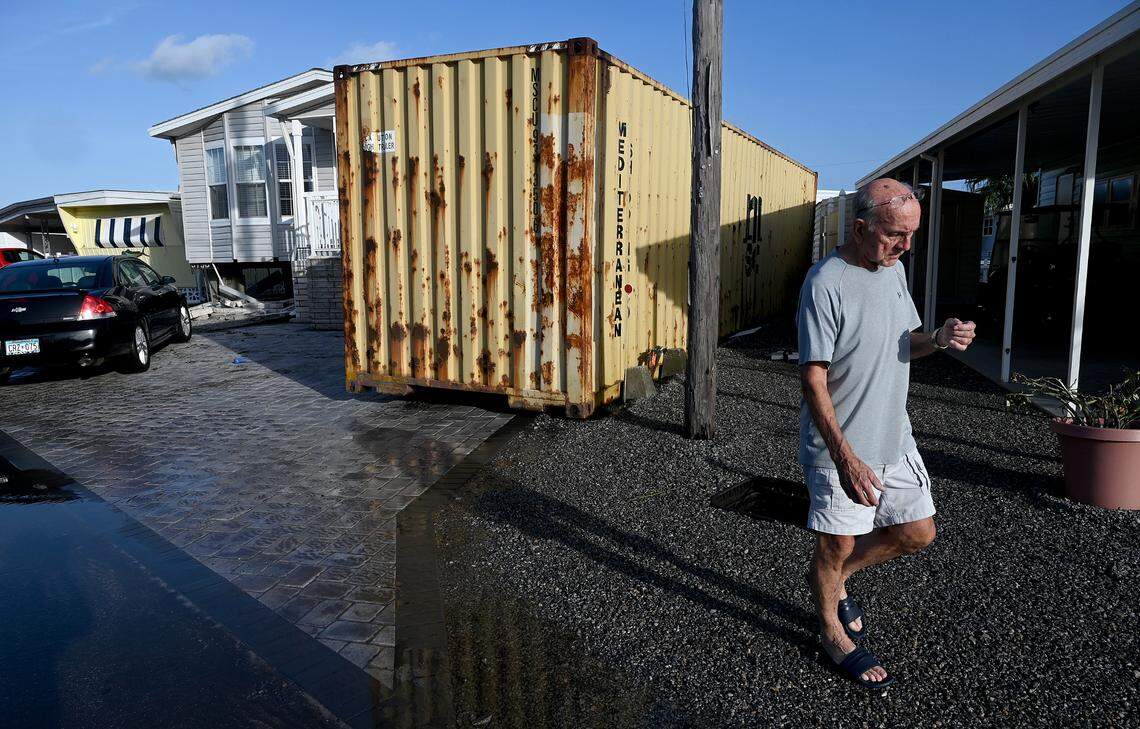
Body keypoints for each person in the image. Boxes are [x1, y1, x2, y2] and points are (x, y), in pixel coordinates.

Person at [797, 178, 976, 688]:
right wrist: (846, 458)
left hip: (895, 439)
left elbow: (905, 344)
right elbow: (812, 378)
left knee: (918, 533)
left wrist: (938, 339)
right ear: (860, 227)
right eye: (896, 235)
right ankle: (832, 630)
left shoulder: (892, 271)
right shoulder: (824, 283)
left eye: (911, 235)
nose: (906, 247)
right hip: (841, 450)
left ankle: (839, 581)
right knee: (835, 545)